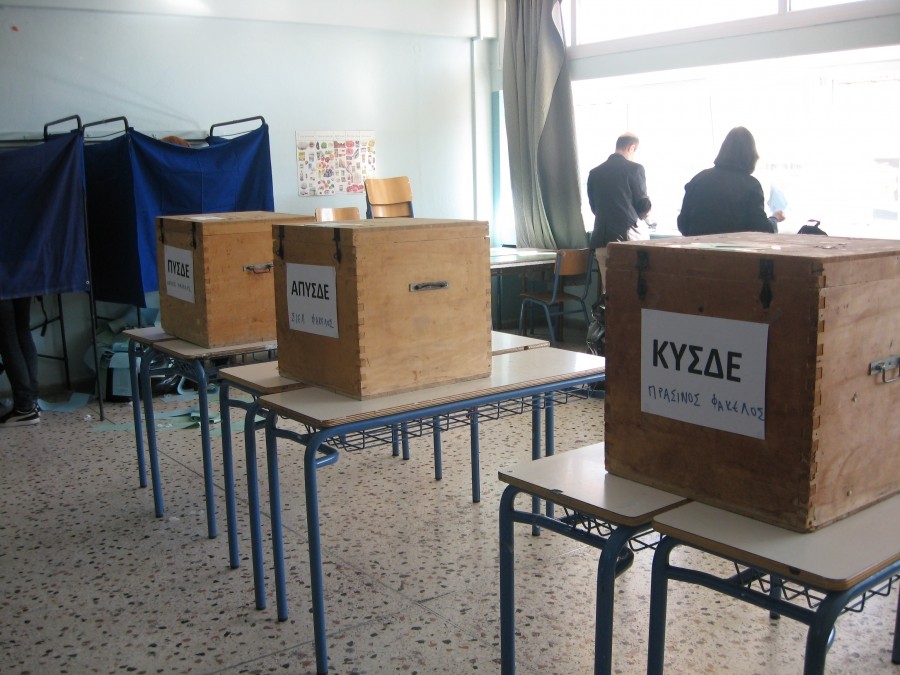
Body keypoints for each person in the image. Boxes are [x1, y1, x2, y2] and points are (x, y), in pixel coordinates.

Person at [677, 126, 785, 236]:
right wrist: (774, 218)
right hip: (733, 247)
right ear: (752, 156)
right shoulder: (751, 186)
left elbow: (683, 224)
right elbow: (761, 229)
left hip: (697, 246)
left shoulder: (698, 180)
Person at [587, 132, 652, 294]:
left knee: (610, 294)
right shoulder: (635, 169)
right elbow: (642, 205)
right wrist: (648, 214)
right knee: (631, 294)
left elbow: (594, 208)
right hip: (628, 242)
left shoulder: (595, 173)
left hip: (601, 242)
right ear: (631, 147)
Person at [0, 297, 41, 427]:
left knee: (7, 336)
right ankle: (32, 401)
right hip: (21, 285)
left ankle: (24, 407)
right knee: (23, 331)